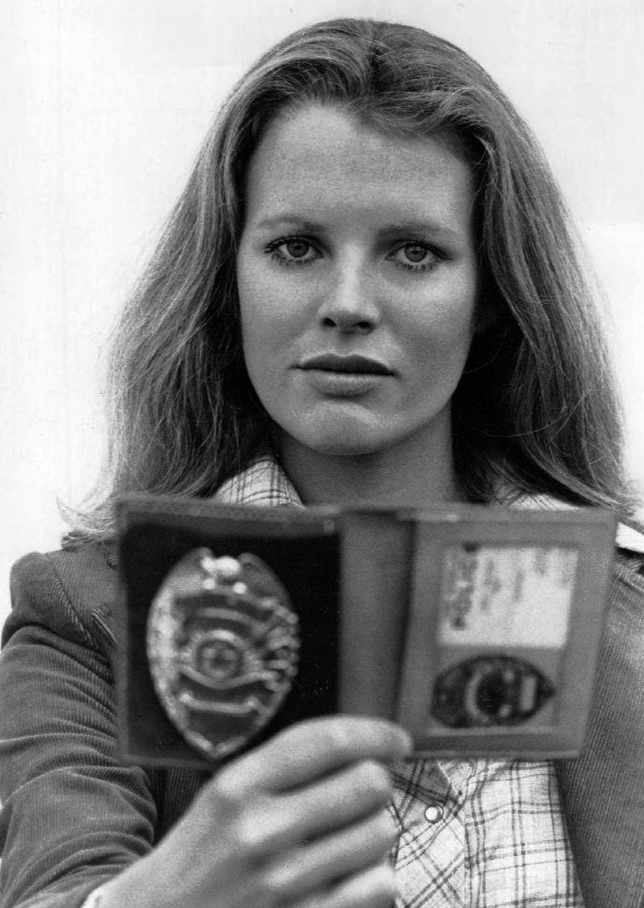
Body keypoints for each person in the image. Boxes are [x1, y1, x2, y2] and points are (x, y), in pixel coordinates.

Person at [1, 16, 643, 908]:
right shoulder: (86, 621)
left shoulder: (623, 605)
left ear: (492, 293)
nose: (348, 303)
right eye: (296, 247)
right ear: (228, 281)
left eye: (414, 252)